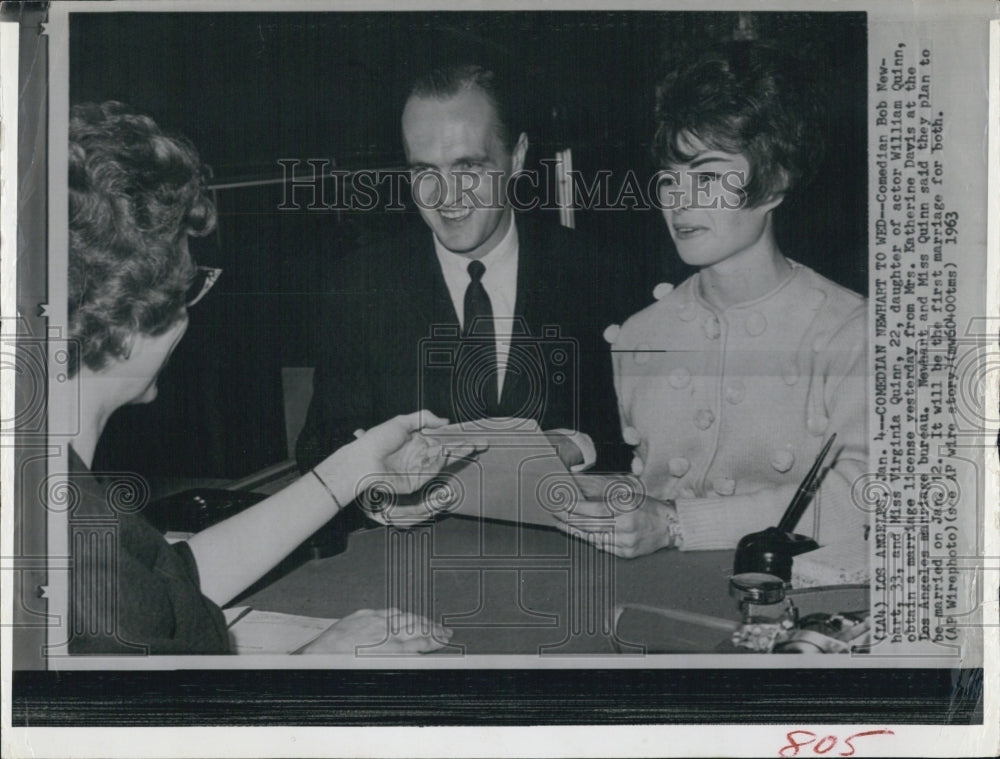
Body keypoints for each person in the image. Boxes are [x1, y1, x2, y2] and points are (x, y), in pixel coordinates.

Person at [66, 101, 481, 654]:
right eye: (187, 286)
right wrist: (316, 663)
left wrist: (350, 471)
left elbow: (173, 587)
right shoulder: (81, 544)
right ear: (129, 312)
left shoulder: (61, 491)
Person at [553, 41, 867, 556]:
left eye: (708, 176)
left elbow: (866, 502)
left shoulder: (849, 332)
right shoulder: (639, 335)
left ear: (774, 183)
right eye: (670, 180)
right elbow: (655, 490)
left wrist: (678, 525)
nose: (680, 201)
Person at [296, 63, 639, 485]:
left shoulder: (599, 274)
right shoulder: (359, 286)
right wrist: (381, 466)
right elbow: (320, 449)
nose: (445, 197)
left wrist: (575, 446)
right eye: (424, 172)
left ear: (517, 157)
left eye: (468, 168)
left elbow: (637, 438)